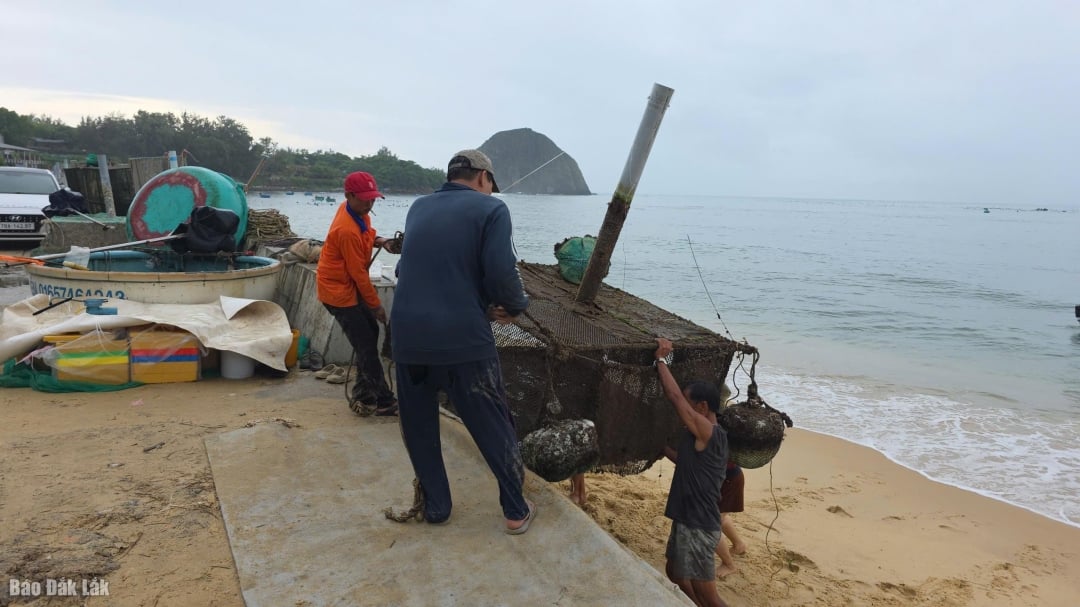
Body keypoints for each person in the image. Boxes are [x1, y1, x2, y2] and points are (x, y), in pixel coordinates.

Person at [390, 150, 535, 533]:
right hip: (462, 338)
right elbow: (502, 274)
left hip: (406, 336)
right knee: (492, 424)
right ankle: (515, 510)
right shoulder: (493, 210)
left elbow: (406, 267)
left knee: (419, 427)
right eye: (491, 186)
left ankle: (437, 507)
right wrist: (515, 306)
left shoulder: (418, 208)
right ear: (484, 178)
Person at [316, 171, 398, 417]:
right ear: (348, 195)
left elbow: (367, 233)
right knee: (365, 345)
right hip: (338, 292)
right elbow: (359, 276)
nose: (369, 204)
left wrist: (381, 240)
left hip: (348, 286)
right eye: (365, 199)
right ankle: (384, 401)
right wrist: (376, 306)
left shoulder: (357, 212)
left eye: (373, 199)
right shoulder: (346, 230)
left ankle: (364, 394)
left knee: (370, 334)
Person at [656, 337, 730, 607]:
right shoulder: (698, 436)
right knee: (674, 573)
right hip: (686, 519)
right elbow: (688, 462)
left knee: (709, 596)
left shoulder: (709, 431)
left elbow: (675, 398)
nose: (683, 412)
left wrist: (661, 360)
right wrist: (662, 449)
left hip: (699, 524)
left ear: (702, 408)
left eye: (690, 406)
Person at [714, 383, 747, 578]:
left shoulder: (719, 426)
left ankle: (728, 564)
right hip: (733, 476)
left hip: (727, 479)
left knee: (711, 524)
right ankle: (739, 545)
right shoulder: (731, 420)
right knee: (720, 517)